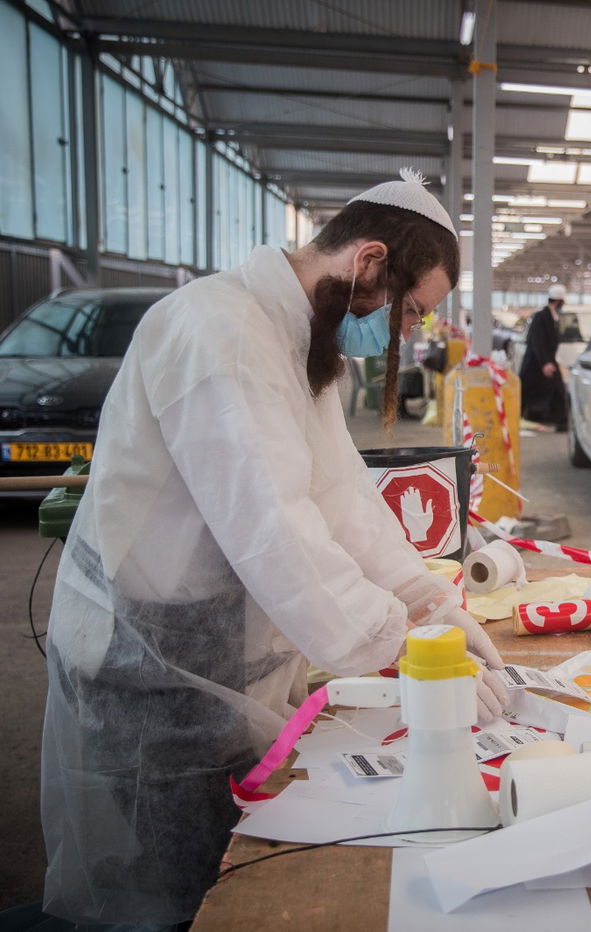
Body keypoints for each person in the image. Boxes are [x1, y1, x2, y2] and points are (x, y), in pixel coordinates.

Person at [39, 169, 511, 930]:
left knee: (233, 851)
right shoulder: (221, 331)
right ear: (368, 261)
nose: (408, 333)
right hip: (155, 663)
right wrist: (401, 638)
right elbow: (273, 527)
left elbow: (340, 497)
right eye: (411, 310)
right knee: (179, 893)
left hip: (227, 648)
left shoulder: (299, 338)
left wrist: (426, 601)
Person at [519, 283, 569, 429]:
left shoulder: (552, 317)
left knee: (556, 391)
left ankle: (560, 421)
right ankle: (514, 417)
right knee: (525, 392)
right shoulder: (541, 317)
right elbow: (537, 342)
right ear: (558, 301)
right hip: (536, 363)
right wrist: (545, 363)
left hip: (545, 361)